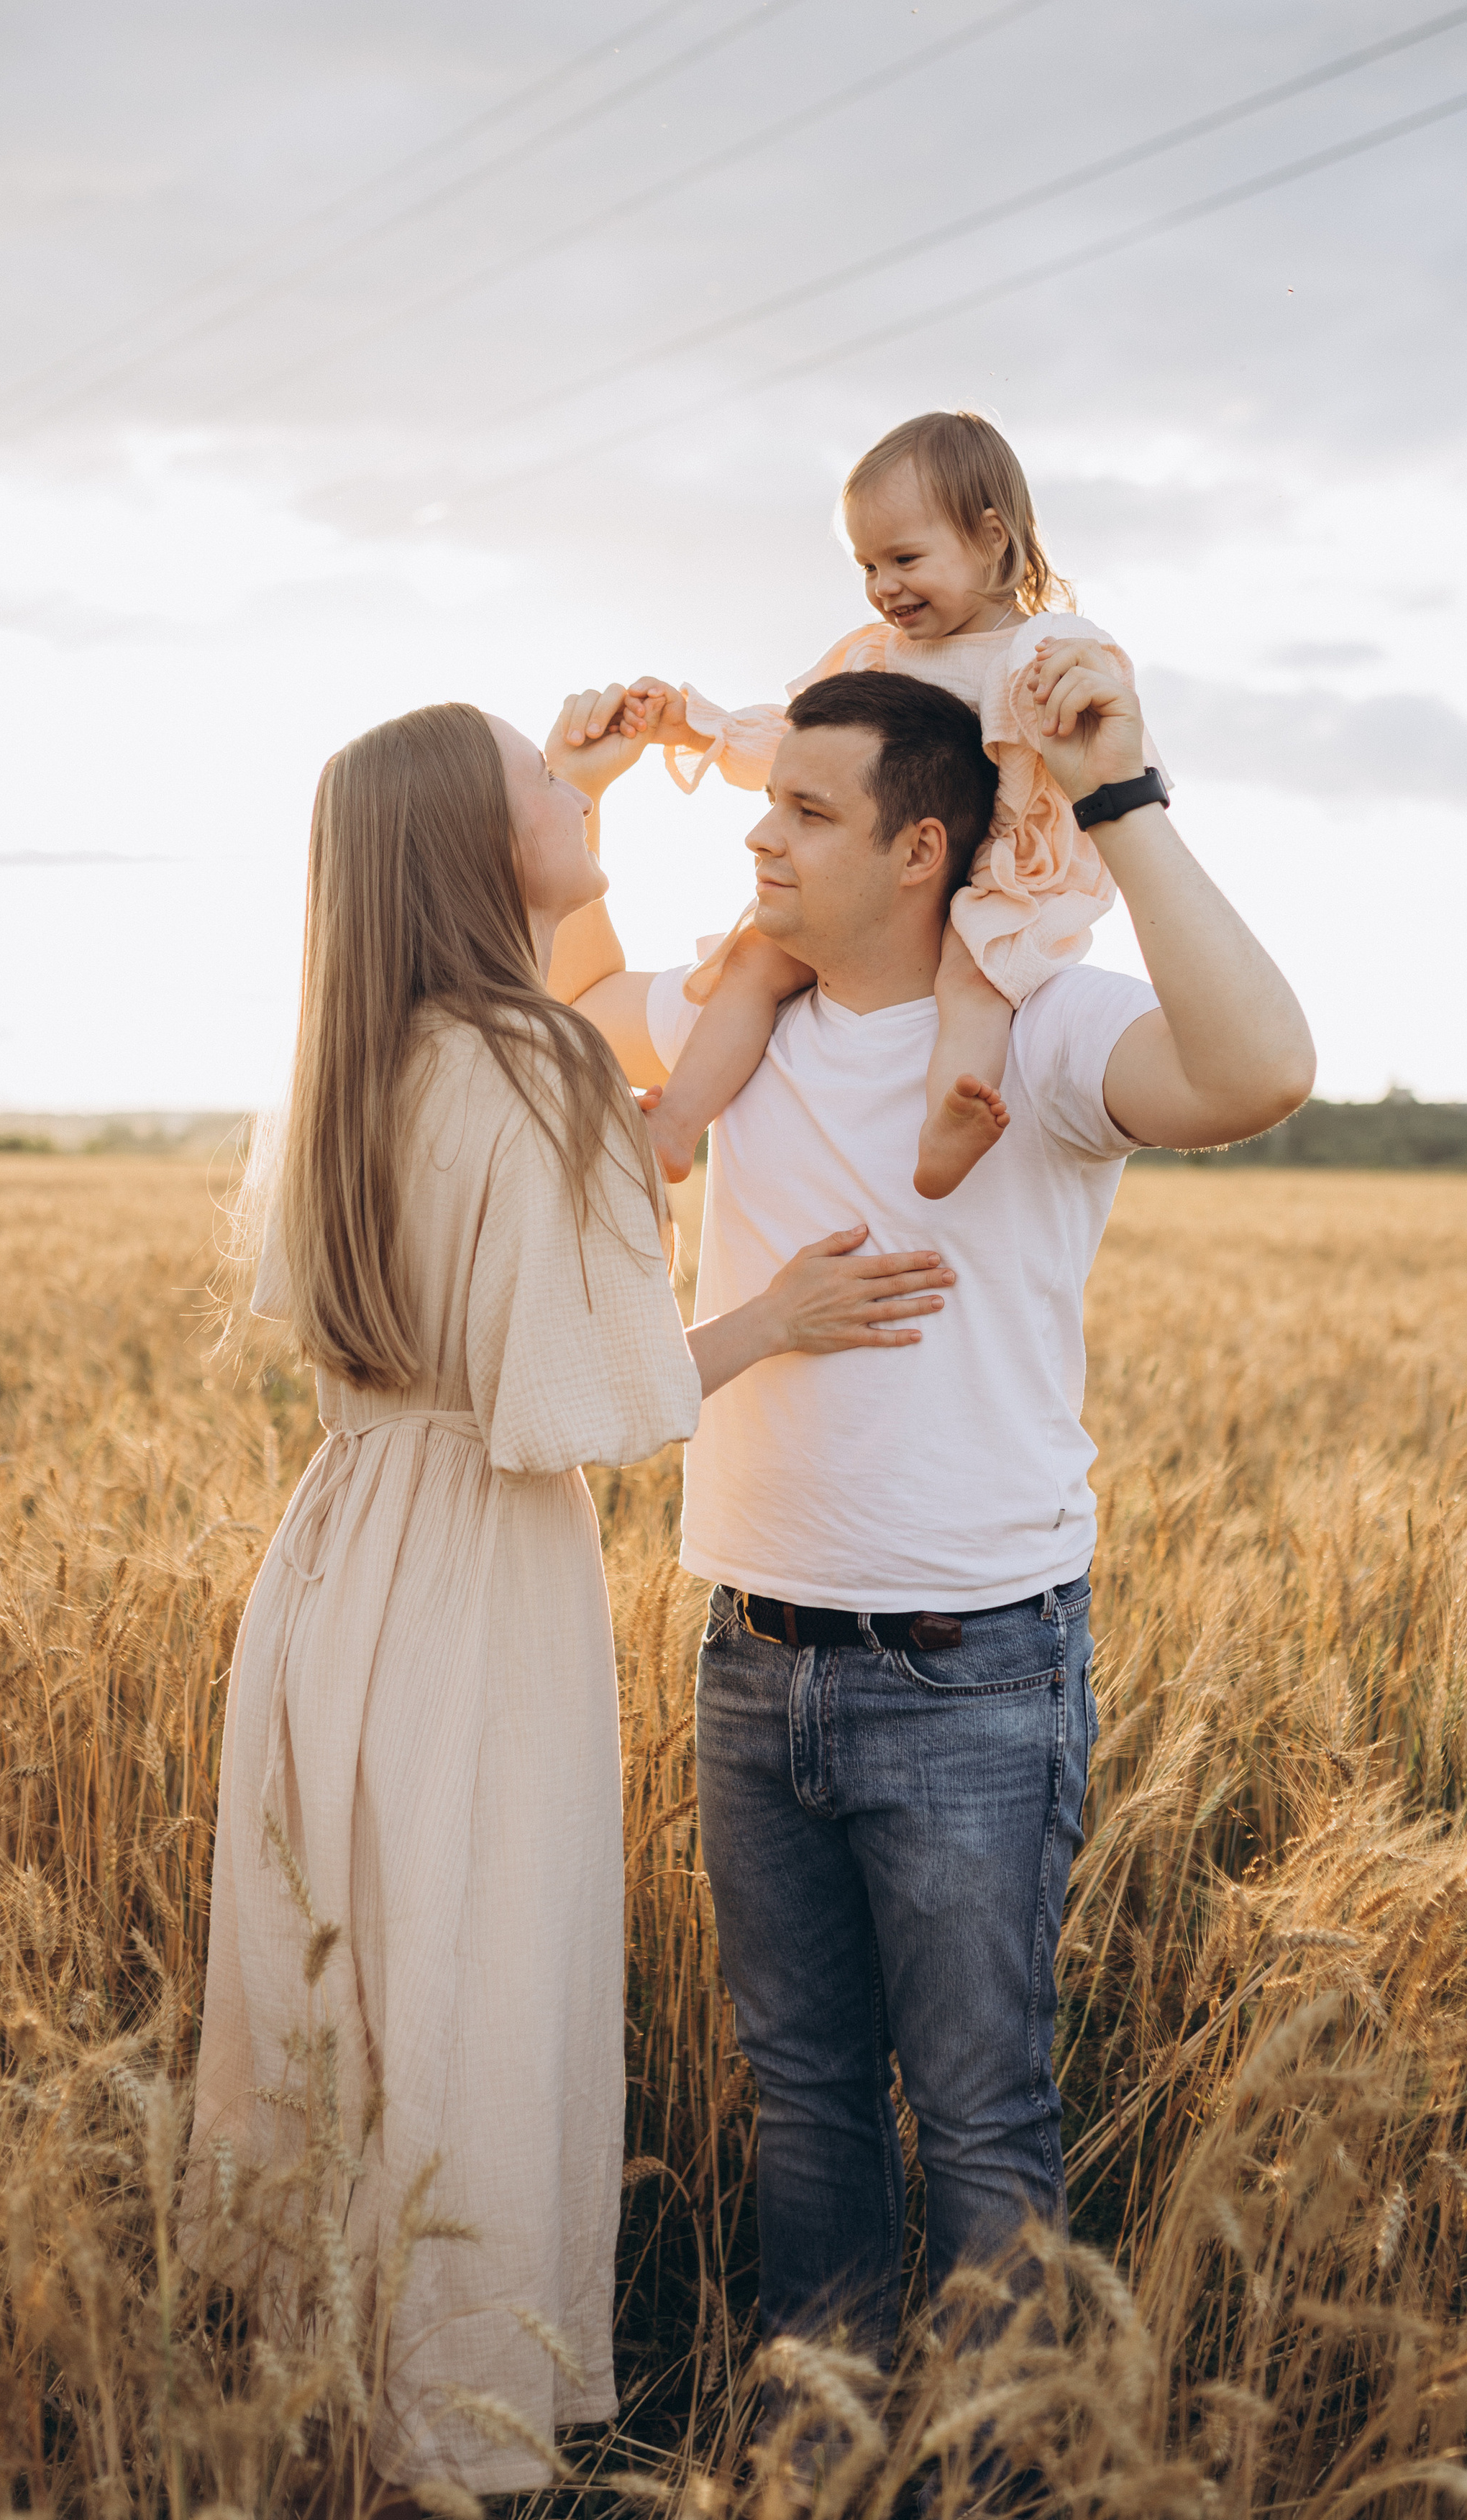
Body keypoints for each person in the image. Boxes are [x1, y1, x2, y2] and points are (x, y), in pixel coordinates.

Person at [188, 700, 958, 2497]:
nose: (570, 774)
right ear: (477, 845)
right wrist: (772, 1319)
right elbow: (574, 1407)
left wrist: (565, 806)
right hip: (473, 1575)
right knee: (470, 1977)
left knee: (338, 1990)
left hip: (330, 1562)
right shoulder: (530, 1063)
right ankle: (458, 2433)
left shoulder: (343, 1054)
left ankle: (306, 2397)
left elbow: (458, 1355)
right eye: (541, 777)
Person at [547, 651, 1313, 2365]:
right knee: (802, 2101)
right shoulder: (745, 1019)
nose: (760, 836)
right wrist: (581, 797)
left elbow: (1260, 1066)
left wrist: (1116, 797)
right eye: (763, 800)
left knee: (977, 2118)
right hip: (749, 1649)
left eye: (804, 811)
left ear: (916, 850)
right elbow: (579, 1008)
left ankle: (997, 2471)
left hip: (970, 1674)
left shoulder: (1035, 1032)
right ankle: (822, 2438)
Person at [621, 409, 1166, 1200]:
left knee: (972, 984)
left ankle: (945, 1131)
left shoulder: (1043, 651)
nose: (884, 587)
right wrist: (691, 722)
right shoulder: (878, 654)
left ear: (990, 537)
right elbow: (800, 746)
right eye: (867, 566)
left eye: (904, 558)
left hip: (1000, 872)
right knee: (752, 962)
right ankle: (674, 1127)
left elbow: (1107, 752)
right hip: (879, 879)